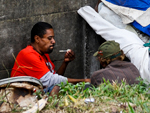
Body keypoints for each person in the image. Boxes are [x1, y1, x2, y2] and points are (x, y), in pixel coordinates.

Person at [11, 22, 90, 95]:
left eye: (53, 38)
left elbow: (54, 78)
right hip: (23, 95)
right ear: (37, 39)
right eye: (49, 38)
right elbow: (51, 81)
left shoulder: (43, 53)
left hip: (38, 91)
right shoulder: (28, 54)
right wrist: (83, 81)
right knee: (58, 88)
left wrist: (65, 62)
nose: (53, 41)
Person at [77, 6, 150, 84]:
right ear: (121, 54)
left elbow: (106, 30)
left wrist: (84, 10)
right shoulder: (132, 68)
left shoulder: (99, 75)